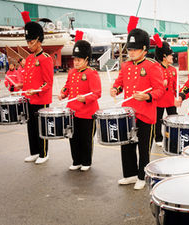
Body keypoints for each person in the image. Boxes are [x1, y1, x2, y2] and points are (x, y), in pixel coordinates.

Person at [110, 26, 164, 190]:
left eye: (135, 49)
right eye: (130, 49)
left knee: (143, 148)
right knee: (126, 145)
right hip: (128, 114)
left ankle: (143, 175)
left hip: (145, 114)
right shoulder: (126, 66)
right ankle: (130, 174)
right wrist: (115, 89)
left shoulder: (152, 66)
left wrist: (147, 96)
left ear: (144, 49)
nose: (131, 52)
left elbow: (160, 90)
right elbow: (120, 84)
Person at [58, 40, 101, 171]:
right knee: (73, 137)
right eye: (75, 60)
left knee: (86, 139)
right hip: (72, 111)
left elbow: (97, 93)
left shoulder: (91, 73)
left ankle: (86, 162)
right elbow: (67, 87)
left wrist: (85, 98)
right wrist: (63, 93)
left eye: (79, 60)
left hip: (87, 112)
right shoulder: (71, 72)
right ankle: (76, 160)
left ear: (87, 60)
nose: (76, 62)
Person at [16, 22, 54, 164]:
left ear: (38, 40)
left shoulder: (46, 58)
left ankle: (43, 153)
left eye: (31, 41)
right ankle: (34, 152)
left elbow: (47, 82)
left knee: (41, 127)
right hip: (29, 98)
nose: (28, 45)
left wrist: (36, 90)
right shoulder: (30, 59)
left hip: (40, 98)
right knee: (31, 127)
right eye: (27, 41)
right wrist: (22, 85)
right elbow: (29, 78)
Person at [154, 37, 178, 147]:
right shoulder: (156, 69)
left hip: (170, 99)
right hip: (159, 100)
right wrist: (159, 84)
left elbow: (175, 86)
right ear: (164, 56)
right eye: (170, 55)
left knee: (173, 119)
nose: (172, 56)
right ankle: (158, 137)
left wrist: (178, 97)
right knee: (158, 120)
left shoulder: (173, 70)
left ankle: (173, 136)